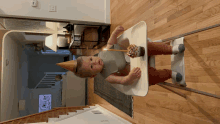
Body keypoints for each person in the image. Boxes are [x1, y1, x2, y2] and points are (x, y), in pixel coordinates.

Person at [56, 26, 185, 86]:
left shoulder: (103, 52)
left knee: (148, 46)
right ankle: (170, 74)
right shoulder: (107, 76)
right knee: (150, 78)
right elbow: (123, 81)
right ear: (94, 75)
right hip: (135, 69)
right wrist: (130, 76)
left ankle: (172, 49)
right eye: (91, 66)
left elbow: (111, 43)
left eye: (91, 59)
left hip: (136, 52)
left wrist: (115, 33)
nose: (95, 62)